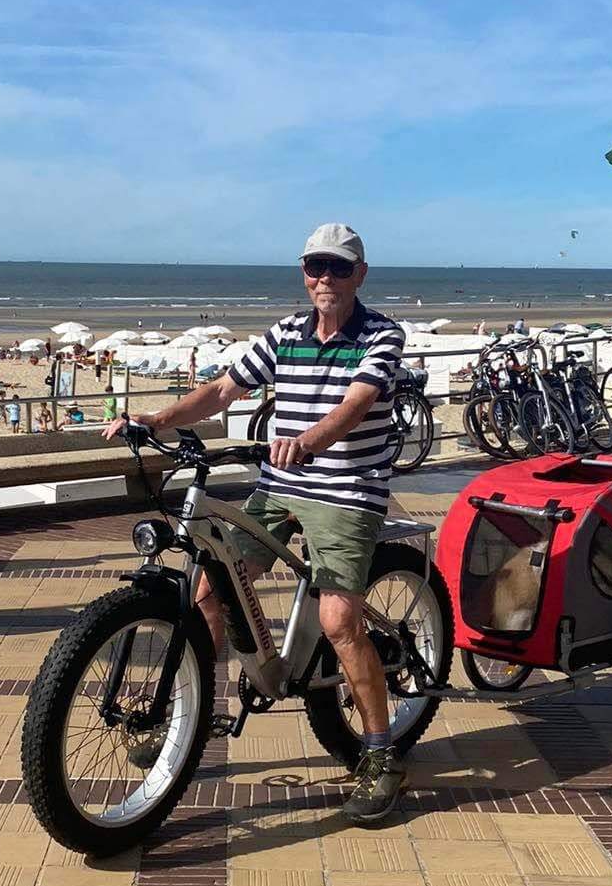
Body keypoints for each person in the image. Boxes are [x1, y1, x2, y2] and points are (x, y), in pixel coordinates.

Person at [105, 222, 409, 826]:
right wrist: (157, 418)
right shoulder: (285, 332)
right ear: (303, 272)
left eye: (338, 268)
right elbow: (223, 388)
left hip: (348, 489)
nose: (324, 278)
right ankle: (196, 713)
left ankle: (380, 752)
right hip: (279, 482)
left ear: (360, 275)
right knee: (208, 588)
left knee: (339, 619)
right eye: (314, 267)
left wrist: (310, 441)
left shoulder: (382, 335)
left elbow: (358, 403)